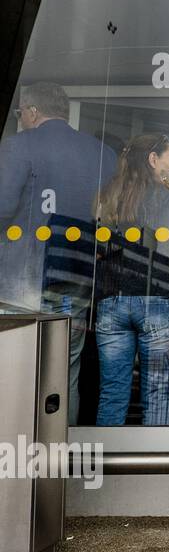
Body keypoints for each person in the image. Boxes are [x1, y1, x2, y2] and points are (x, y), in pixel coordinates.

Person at [0, 82, 117, 423]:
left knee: (14, 370)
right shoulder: (103, 155)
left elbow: (3, 208)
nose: (21, 119)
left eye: (21, 113)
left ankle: (14, 461)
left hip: (21, 281)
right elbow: (111, 221)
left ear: (33, 111)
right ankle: (55, 460)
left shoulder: (18, 147)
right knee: (64, 373)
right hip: (77, 279)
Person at [93, 134, 169, 426]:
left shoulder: (109, 194)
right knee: (158, 391)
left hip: (113, 298)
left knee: (112, 392)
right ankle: (153, 469)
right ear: (153, 159)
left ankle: (103, 466)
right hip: (157, 298)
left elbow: (98, 249)